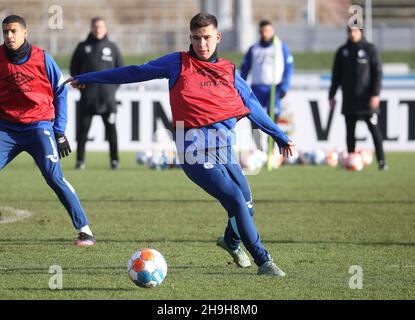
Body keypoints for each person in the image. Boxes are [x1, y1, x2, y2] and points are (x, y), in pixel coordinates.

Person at [65, 13, 294, 276]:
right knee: (235, 200)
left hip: (224, 148)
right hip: (193, 151)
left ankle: (231, 242)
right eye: (196, 38)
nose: (202, 44)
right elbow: (135, 72)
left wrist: (278, 135)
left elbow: (252, 105)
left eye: (207, 38)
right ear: (190, 38)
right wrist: (91, 77)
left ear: (217, 37)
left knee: (247, 205)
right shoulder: (177, 63)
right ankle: (263, 261)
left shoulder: (229, 70)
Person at [0, 15, 96, 246]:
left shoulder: (43, 58)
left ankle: (85, 230)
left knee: (54, 176)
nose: (9, 36)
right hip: (6, 127)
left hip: (38, 126)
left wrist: (59, 131)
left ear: (25, 32)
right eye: (5, 32)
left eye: (13, 31)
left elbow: (60, 92)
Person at [329, 26, 387, 170]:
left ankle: (382, 162)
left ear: (361, 31)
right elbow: (336, 76)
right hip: (349, 98)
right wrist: (332, 95)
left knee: (374, 130)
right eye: (350, 31)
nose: (352, 34)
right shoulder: (342, 51)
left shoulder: (370, 49)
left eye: (355, 31)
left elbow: (377, 74)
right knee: (350, 131)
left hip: (367, 99)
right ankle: (351, 160)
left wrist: (375, 94)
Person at [70, 17, 124, 170]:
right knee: (82, 131)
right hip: (88, 98)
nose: (98, 29)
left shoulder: (112, 47)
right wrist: (82, 87)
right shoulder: (82, 47)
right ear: (91, 28)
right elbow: (74, 70)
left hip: (108, 99)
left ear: (105, 29)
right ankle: (80, 161)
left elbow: (121, 71)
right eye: (95, 27)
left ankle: (114, 161)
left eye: (101, 27)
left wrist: (112, 89)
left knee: (111, 131)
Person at [240, 20, 294, 122]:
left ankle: (272, 138)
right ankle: (256, 138)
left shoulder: (281, 47)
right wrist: (242, 88)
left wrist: (285, 87)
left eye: (268, 31)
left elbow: (288, 68)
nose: (265, 34)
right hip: (257, 88)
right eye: (263, 31)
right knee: (254, 118)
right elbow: (244, 69)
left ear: (272, 31)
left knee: (273, 118)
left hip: (274, 88)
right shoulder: (254, 49)